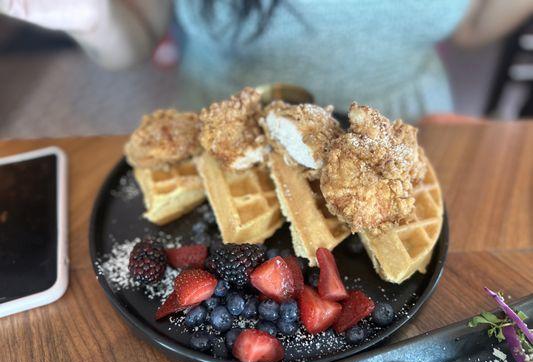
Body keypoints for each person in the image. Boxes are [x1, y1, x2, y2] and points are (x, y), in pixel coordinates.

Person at [2, 0, 533, 121]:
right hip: (228, 140)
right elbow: (138, 36)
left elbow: (469, 24)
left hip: (412, 136)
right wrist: (91, 17)